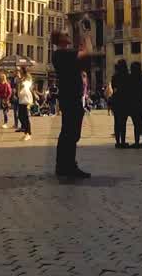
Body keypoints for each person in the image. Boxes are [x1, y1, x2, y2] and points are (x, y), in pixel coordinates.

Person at [52, 29, 91, 179]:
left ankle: (63, 165)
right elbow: (87, 53)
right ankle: (67, 166)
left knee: (68, 132)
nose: (68, 36)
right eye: (65, 35)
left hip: (69, 96)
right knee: (71, 133)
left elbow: (81, 59)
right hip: (71, 97)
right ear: (60, 40)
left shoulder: (61, 55)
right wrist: (87, 36)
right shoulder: (63, 53)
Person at [110, 60, 131, 148]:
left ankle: (117, 142)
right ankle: (123, 141)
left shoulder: (114, 77)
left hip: (116, 101)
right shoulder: (128, 77)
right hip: (125, 101)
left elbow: (114, 90)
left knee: (116, 122)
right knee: (123, 122)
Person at [128, 61, 142, 147]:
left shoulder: (130, 78)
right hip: (141, 103)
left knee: (136, 124)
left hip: (134, 104)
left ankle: (137, 142)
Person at [15, 67, 34, 141]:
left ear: (23, 71)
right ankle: (26, 132)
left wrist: (20, 80)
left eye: (20, 70)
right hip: (21, 98)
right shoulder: (21, 78)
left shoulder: (28, 76)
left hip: (26, 98)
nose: (19, 71)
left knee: (25, 117)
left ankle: (28, 133)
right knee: (20, 116)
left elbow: (26, 85)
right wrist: (19, 79)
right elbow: (19, 85)